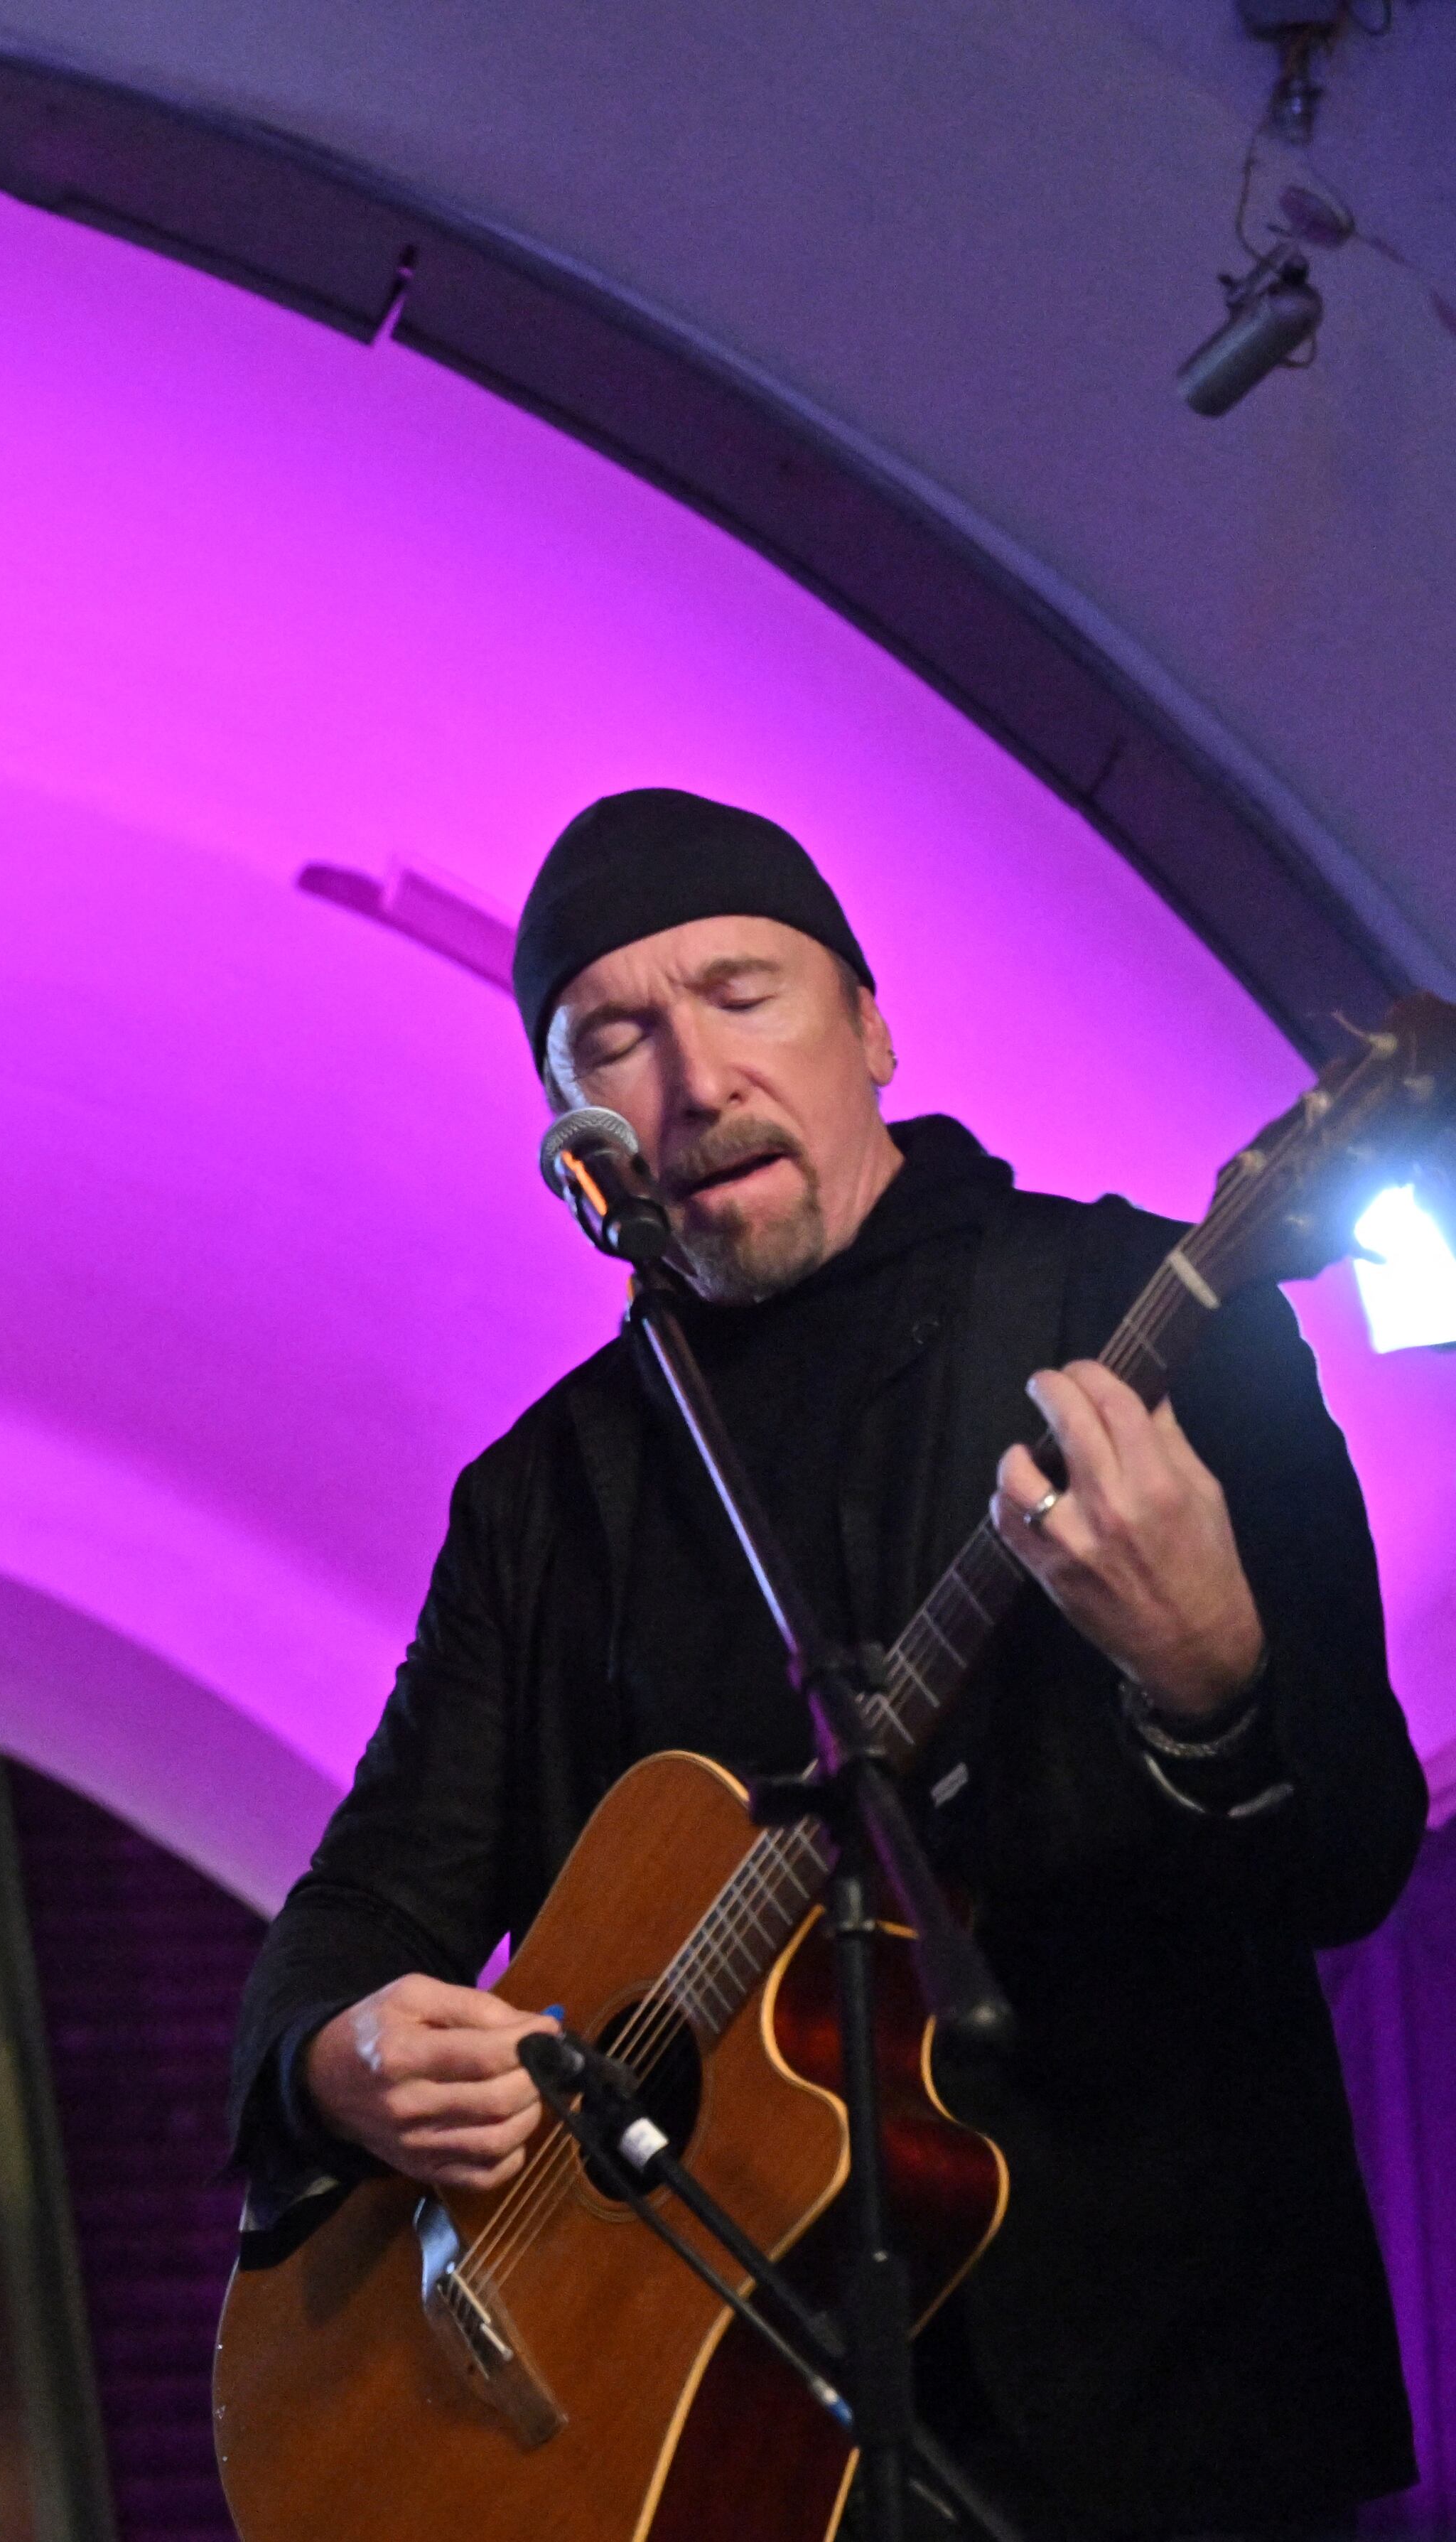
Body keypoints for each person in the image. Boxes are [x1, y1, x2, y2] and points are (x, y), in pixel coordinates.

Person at [225, 789, 1426, 2541]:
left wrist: (1211, 1681)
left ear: (867, 1024)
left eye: (743, 992)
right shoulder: (549, 1497)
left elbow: (1357, 1854)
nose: (696, 1082)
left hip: (1165, 2422)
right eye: (616, 1039)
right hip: (711, 2445)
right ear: (574, 1133)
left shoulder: (1139, 1311)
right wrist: (329, 2054)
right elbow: (365, 1900)